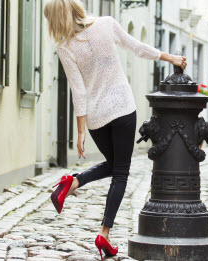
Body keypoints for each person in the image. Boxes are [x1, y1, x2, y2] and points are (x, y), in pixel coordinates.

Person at [44, 0, 187, 259]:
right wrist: (170, 57)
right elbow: (137, 48)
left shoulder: (64, 47)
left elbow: (78, 91)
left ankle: (73, 181)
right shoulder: (106, 24)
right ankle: (104, 234)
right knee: (120, 171)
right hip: (122, 108)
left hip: (96, 118)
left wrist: (79, 132)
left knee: (114, 165)